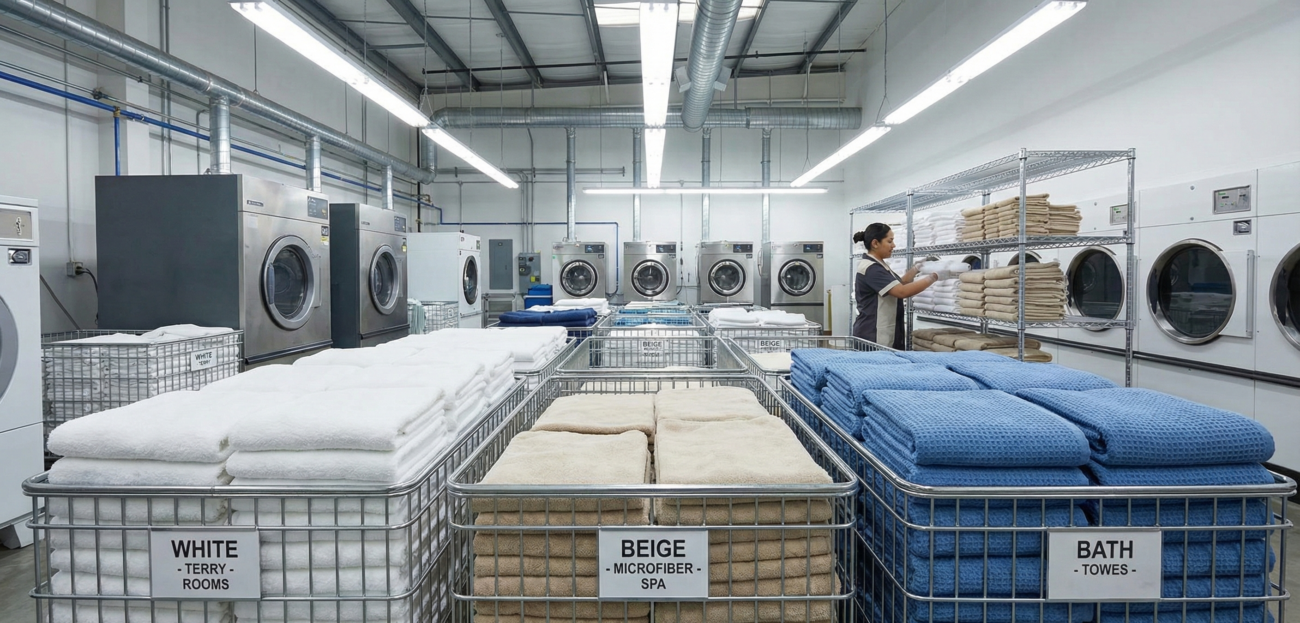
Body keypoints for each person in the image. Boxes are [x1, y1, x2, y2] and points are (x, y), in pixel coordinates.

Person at [852, 223, 940, 349]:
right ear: (875, 243)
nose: (894, 245)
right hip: (873, 334)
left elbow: (900, 284)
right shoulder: (872, 269)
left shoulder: (879, 265)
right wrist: (934, 277)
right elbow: (902, 292)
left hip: (879, 330)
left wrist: (917, 268)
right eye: (890, 241)